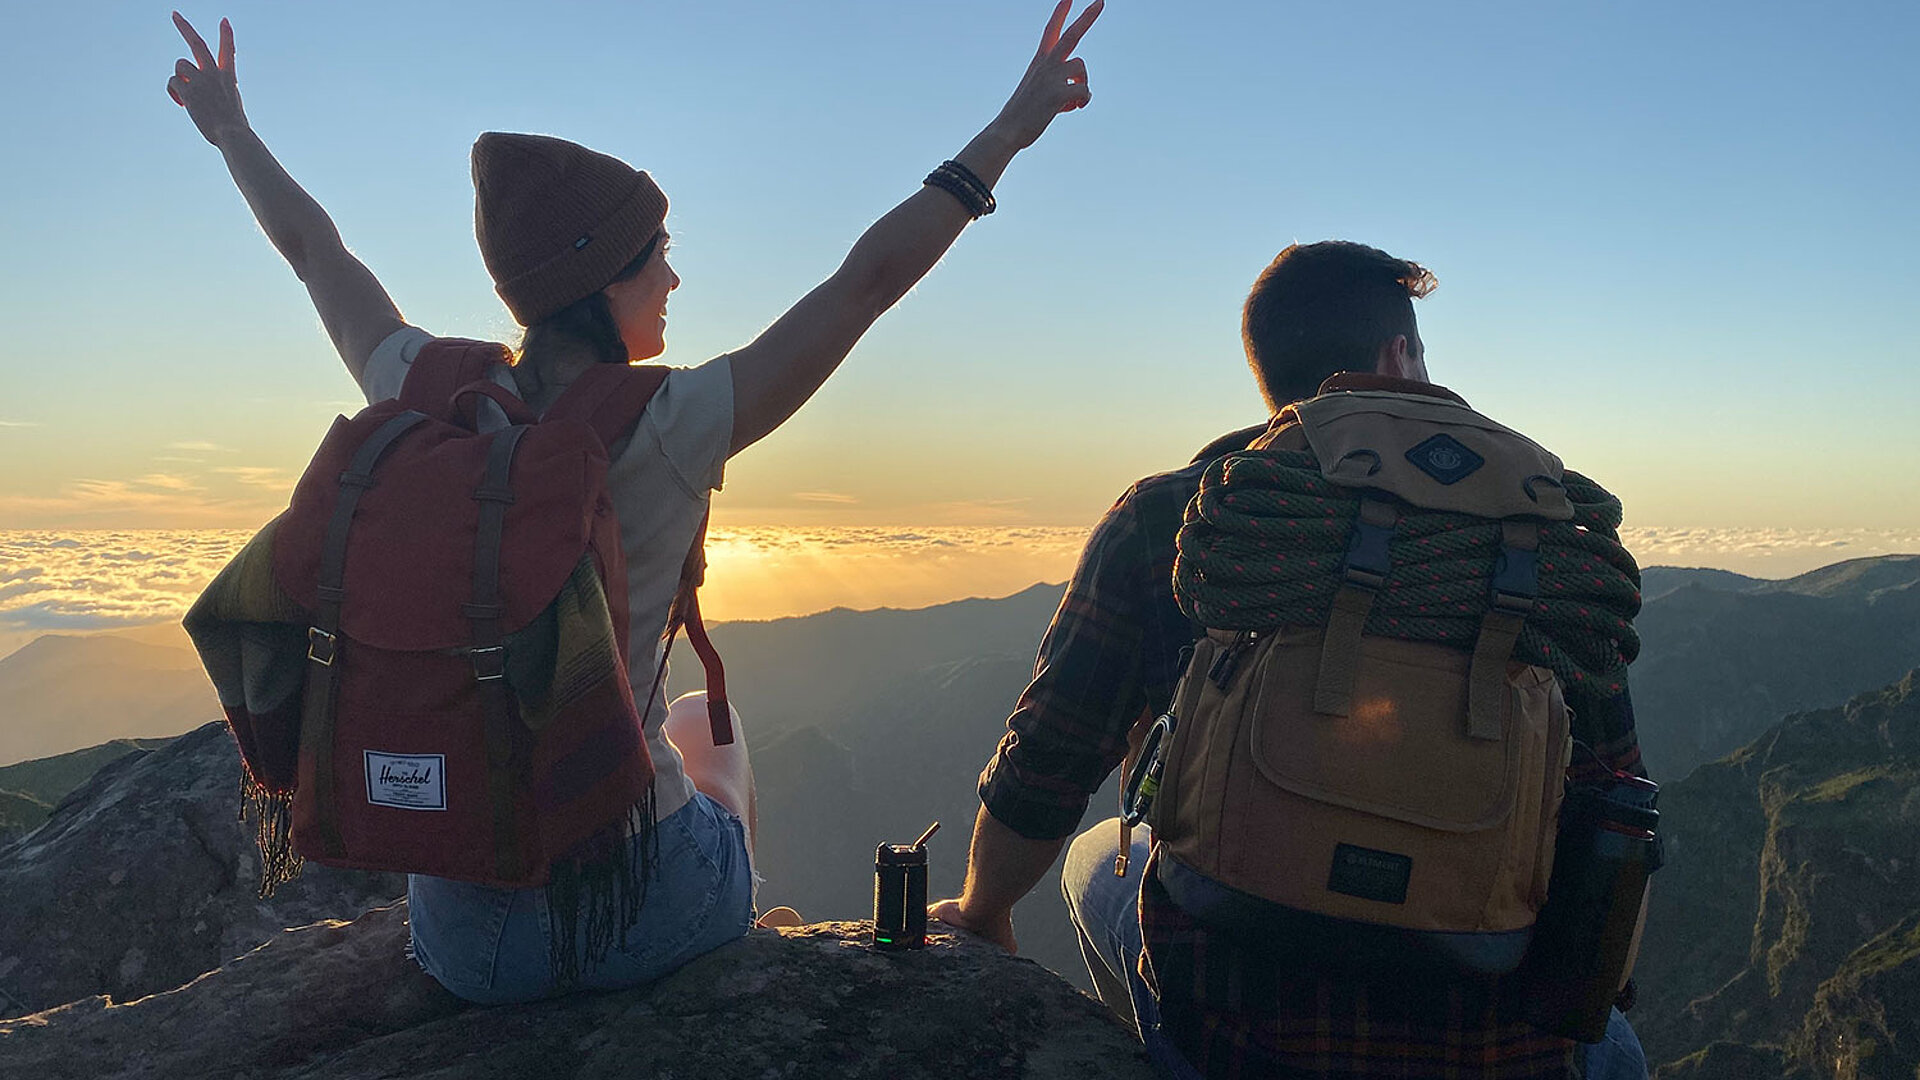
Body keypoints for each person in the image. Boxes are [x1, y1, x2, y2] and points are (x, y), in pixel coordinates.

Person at [167, 1, 1102, 1004]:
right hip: (633, 913)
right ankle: (736, 933)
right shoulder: (674, 420)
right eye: (657, 253)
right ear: (602, 280)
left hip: (460, 933)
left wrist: (230, 130)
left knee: (688, 716)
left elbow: (318, 255)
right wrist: (1011, 131)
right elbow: (865, 283)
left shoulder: (426, 391)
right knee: (717, 743)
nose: (674, 275)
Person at [932, 241, 1653, 1079]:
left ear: (1269, 375)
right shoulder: (1549, 539)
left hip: (1245, 1039)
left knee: (1097, 853)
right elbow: (1618, 805)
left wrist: (982, 913)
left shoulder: (1185, 514)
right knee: (1616, 1048)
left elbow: (1046, 764)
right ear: (1398, 357)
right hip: (1498, 1045)